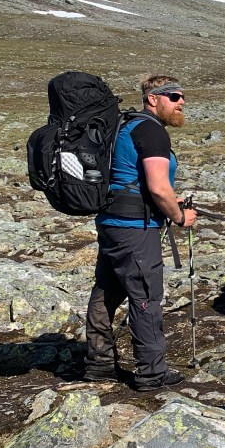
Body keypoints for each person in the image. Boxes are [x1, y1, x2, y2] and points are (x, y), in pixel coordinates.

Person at [83, 75, 197, 390]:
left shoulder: (125, 126)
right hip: (135, 229)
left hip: (111, 223)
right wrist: (179, 216)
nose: (181, 102)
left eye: (182, 96)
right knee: (145, 295)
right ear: (152, 99)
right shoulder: (151, 131)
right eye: (174, 96)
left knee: (107, 290)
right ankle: (151, 371)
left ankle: (99, 362)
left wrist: (170, 202)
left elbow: (133, 179)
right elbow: (159, 188)